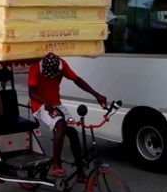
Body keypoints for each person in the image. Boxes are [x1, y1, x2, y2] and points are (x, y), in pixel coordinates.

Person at [28, 52, 107, 182]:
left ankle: (80, 173)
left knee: (73, 132)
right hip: (40, 105)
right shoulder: (35, 68)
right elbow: (31, 93)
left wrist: (96, 95)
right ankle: (56, 164)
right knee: (60, 125)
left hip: (56, 103)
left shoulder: (62, 64)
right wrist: (44, 102)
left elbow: (77, 80)